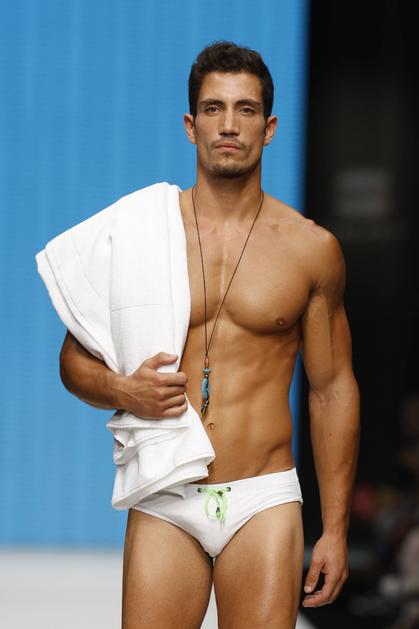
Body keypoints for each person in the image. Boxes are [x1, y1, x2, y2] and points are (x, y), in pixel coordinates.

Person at [58, 41, 360, 628]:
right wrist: (125, 390)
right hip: (167, 490)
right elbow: (71, 362)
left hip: (262, 496)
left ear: (269, 128)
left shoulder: (310, 249)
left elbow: (332, 390)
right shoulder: (141, 235)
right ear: (190, 124)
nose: (228, 125)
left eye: (246, 110)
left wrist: (336, 529)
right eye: (213, 108)